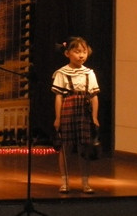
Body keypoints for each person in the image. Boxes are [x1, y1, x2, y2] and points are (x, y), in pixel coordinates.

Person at [52, 36, 100, 194]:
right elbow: (59, 97)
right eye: (77, 51)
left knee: (84, 147)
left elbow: (94, 96)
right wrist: (58, 118)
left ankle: (85, 182)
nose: (81, 55)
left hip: (84, 112)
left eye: (84, 52)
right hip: (68, 109)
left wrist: (94, 117)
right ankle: (65, 182)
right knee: (66, 147)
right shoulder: (62, 73)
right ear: (67, 53)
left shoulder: (89, 73)